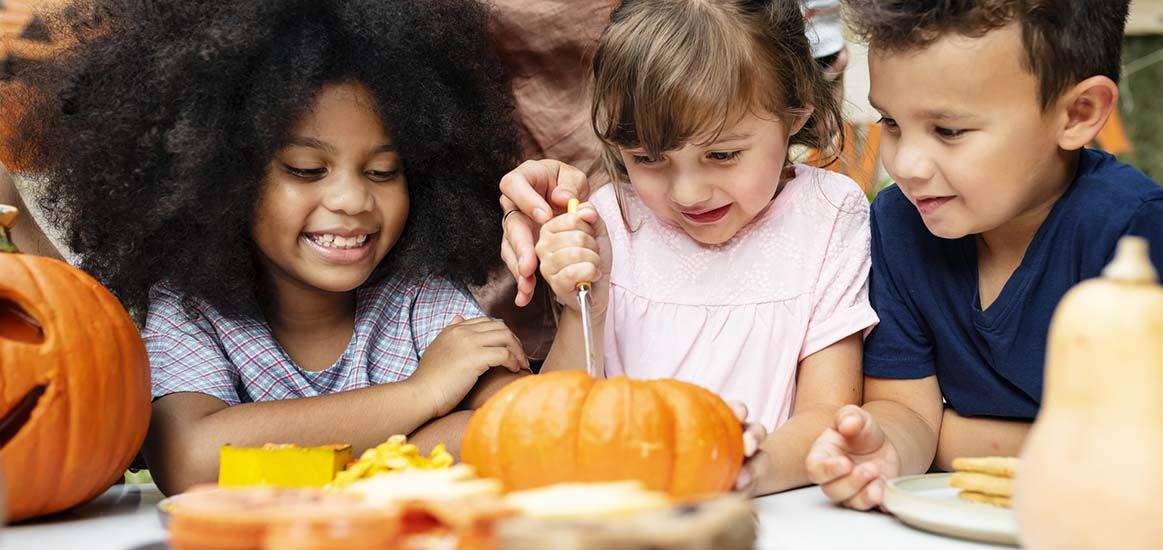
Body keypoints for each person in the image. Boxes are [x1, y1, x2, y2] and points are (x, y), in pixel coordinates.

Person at [10, 0, 527, 494]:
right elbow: (191, 458)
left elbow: (513, 426)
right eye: (306, 169)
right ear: (221, 178)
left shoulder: (420, 296)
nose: (352, 199)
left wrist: (276, 457)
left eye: (383, 172)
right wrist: (422, 396)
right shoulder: (191, 311)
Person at [804, 0, 1163, 510]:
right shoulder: (897, 223)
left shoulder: (1140, 233)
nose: (906, 164)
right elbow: (908, 414)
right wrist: (888, 449)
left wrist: (952, 437)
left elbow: (1156, 455)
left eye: (949, 131)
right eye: (892, 123)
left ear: (1077, 114)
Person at [517, 0, 877, 496]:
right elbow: (552, 425)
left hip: (770, 518)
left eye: (723, 154)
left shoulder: (828, 214)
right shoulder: (611, 221)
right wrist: (584, 308)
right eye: (647, 158)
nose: (688, 193)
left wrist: (746, 467)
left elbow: (828, 412)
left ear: (795, 116)